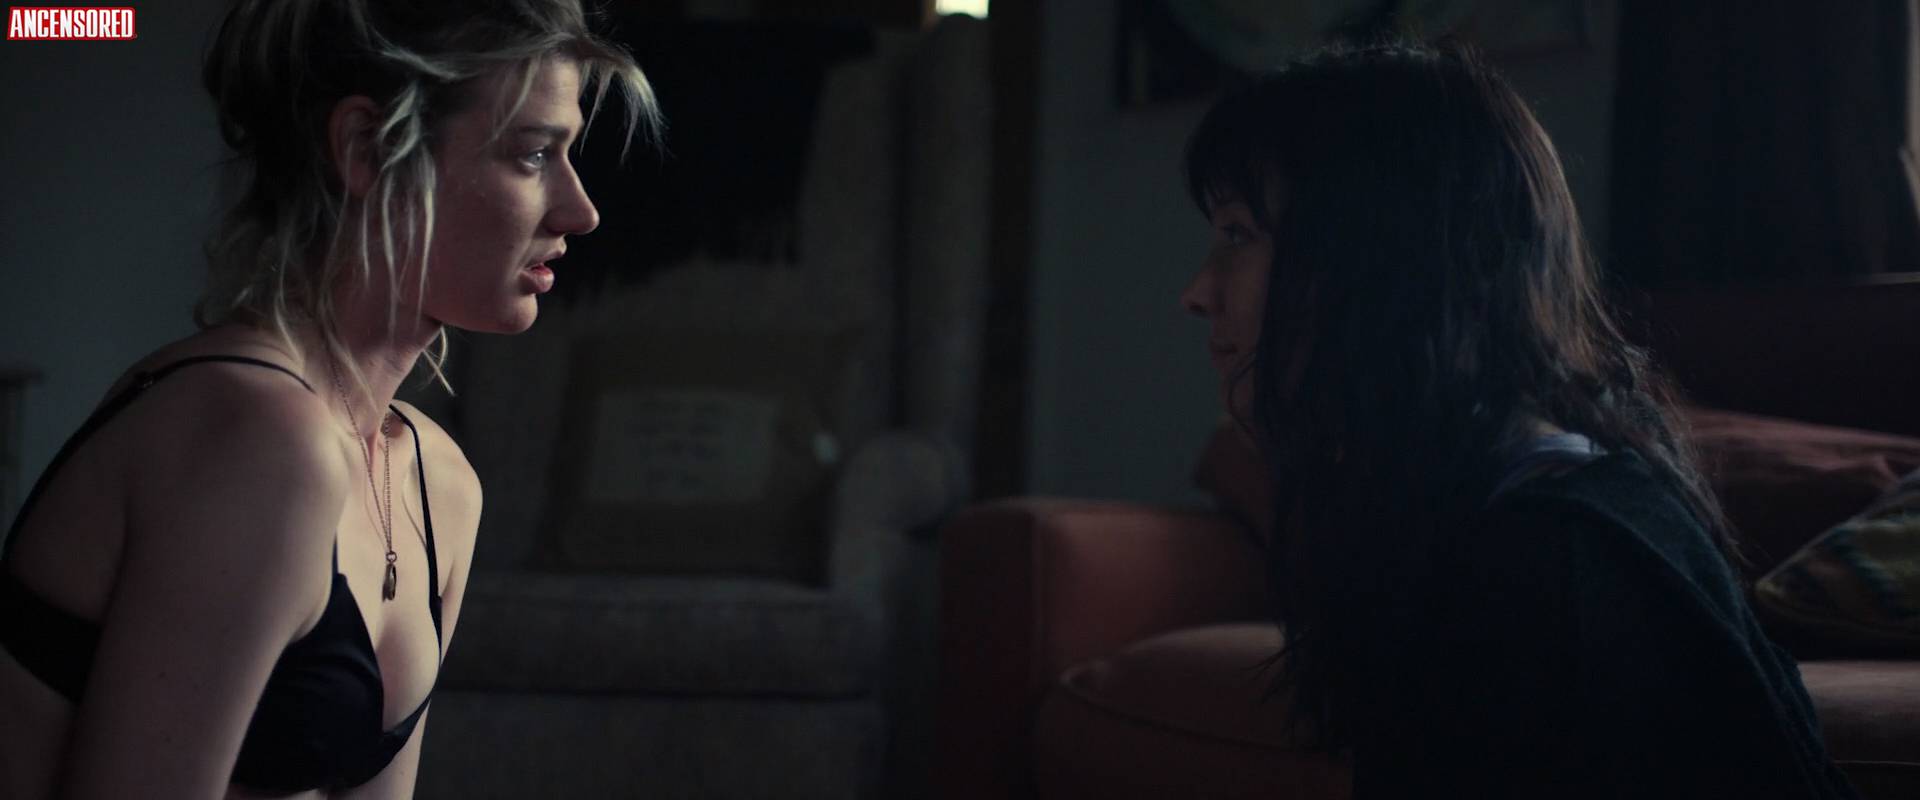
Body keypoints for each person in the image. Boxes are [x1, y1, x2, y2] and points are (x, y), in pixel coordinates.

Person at [0, 1, 659, 796]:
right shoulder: (258, 437)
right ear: (367, 150)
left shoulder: (439, 484)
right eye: (532, 155)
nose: (581, 210)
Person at [1178, 42, 1858, 798]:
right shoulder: (1465, 508)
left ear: (1371, 249)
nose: (1197, 291)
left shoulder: (1549, 560)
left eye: (1237, 234)